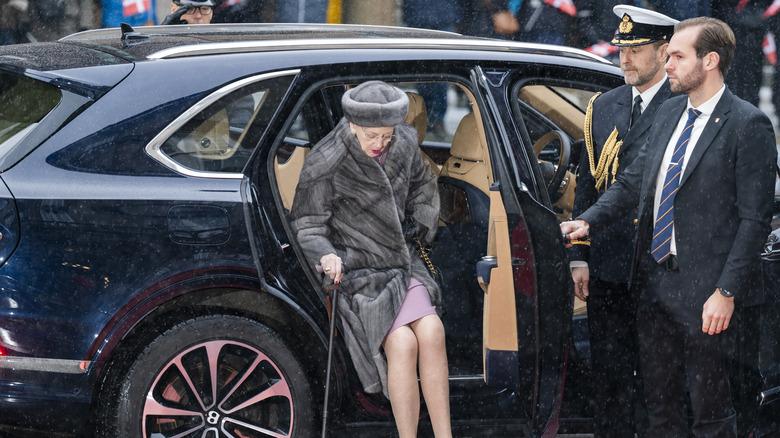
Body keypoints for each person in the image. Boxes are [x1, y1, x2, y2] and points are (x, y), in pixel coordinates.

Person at [561, 16, 777, 437]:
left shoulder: (747, 124)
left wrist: (726, 292)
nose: (669, 64)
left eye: (678, 56)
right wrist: (587, 220)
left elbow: (755, 221)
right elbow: (631, 183)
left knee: (710, 414)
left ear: (710, 61)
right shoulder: (671, 111)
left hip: (709, 296)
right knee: (661, 411)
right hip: (657, 287)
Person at [290, 81, 452, 437]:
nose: (380, 144)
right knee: (403, 343)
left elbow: (426, 185)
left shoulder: (405, 142)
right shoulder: (327, 160)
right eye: (371, 136)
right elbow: (307, 225)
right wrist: (327, 256)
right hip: (359, 271)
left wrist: (420, 223)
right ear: (351, 125)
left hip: (403, 262)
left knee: (432, 331)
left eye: (387, 135)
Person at [570, 5, 677, 437]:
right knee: (610, 379)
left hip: (661, 270)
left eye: (636, 50)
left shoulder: (682, 105)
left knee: (659, 385)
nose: (625, 59)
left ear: (664, 51)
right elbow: (588, 184)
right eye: (621, 49)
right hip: (610, 267)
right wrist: (579, 256)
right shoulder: (604, 105)